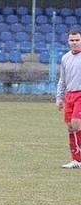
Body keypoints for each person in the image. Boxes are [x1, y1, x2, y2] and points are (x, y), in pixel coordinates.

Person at [56, 29, 81, 169]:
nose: (74, 42)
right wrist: (59, 97)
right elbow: (62, 80)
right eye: (72, 40)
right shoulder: (65, 58)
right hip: (69, 95)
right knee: (71, 128)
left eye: (77, 40)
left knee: (76, 124)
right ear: (68, 41)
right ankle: (76, 160)